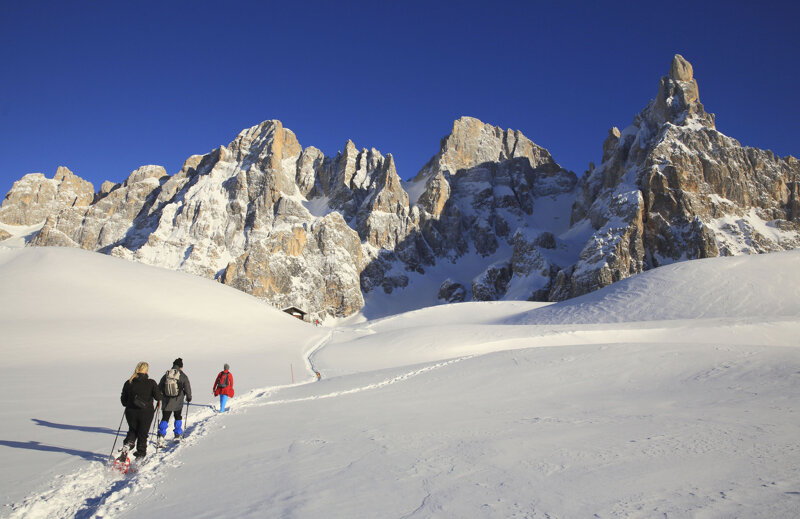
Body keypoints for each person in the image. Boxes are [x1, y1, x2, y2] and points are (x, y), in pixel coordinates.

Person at [119, 361, 162, 460]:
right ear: (146, 371)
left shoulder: (129, 382)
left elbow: (123, 401)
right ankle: (140, 456)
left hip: (130, 412)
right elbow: (158, 397)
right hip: (146, 412)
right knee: (143, 433)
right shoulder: (151, 382)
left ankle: (128, 444)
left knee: (133, 430)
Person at [157, 357, 192, 445]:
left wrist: (159, 397)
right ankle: (177, 434)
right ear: (181, 366)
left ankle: (161, 435)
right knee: (177, 416)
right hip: (178, 401)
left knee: (165, 418)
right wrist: (189, 397)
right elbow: (187, 387)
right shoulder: (182, 375)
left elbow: (160, 387)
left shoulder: (167, 374)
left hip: (167, 401)